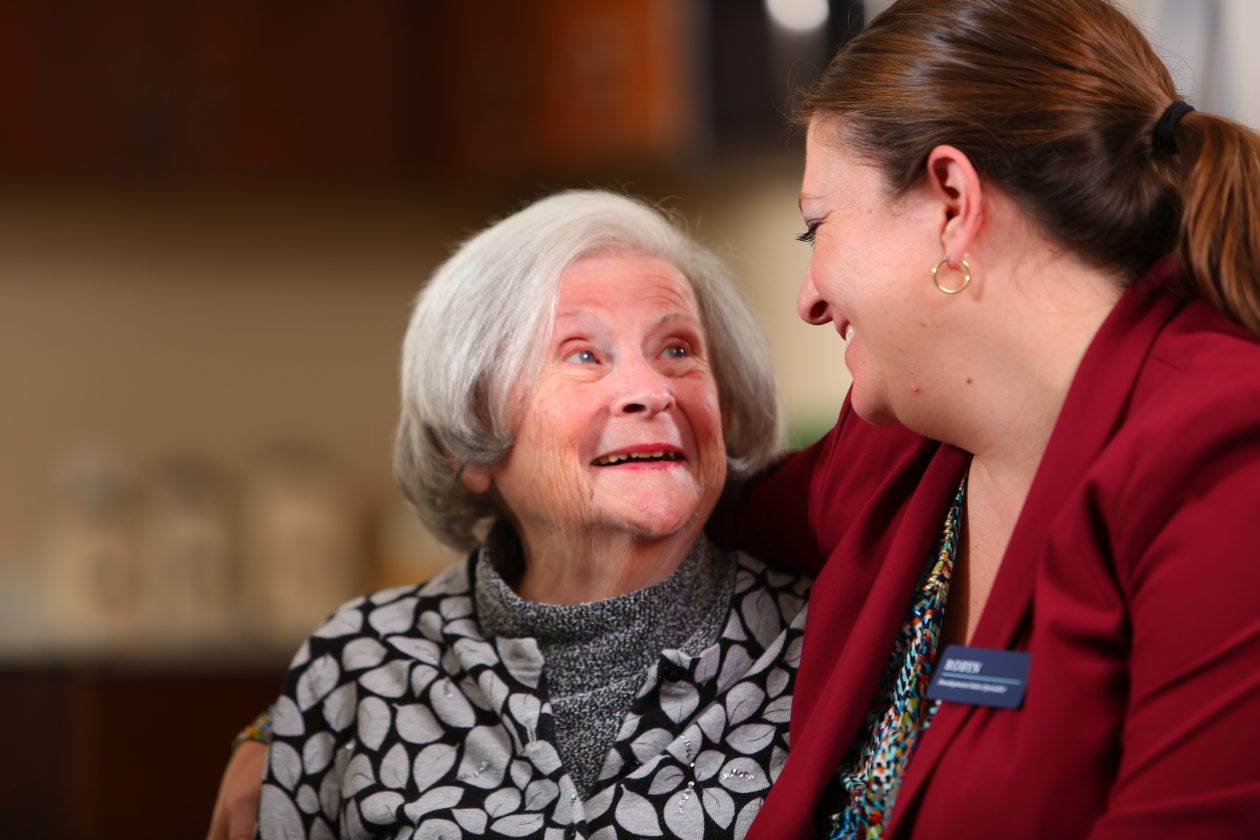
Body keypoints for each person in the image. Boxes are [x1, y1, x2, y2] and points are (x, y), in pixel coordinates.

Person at [707, 0, 1260, 837]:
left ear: (952, 202)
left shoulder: (1225, 458)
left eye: (816, 227)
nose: (809, 297)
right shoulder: (903, 442)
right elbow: (695, 511)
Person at [209, 190, 812, 840]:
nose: (650, 391)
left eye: (677, 350)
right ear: (470, 439)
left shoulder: (826, 649)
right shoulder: (360, 670)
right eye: (584, 354)